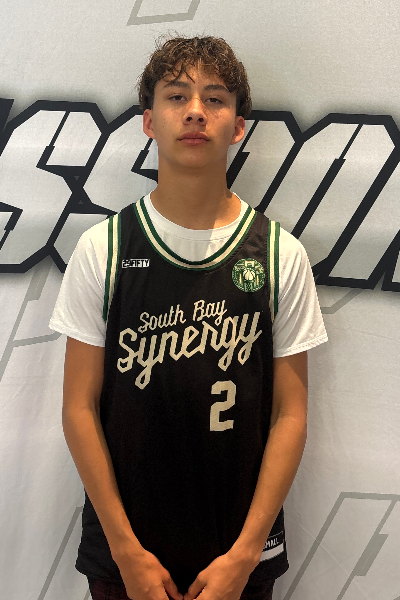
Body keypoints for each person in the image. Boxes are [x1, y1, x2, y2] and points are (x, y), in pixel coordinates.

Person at [49, 35, 328, 600]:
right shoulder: (104, 248)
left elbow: (290, 414)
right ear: (149, 121)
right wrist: (126, 552)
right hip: (126, 553)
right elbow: (79, 408)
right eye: (177, 96)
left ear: (238, 126)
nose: (196, 111)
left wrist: (245, 555)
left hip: (237, 553)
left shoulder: (280, 254)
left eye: (215, 98)